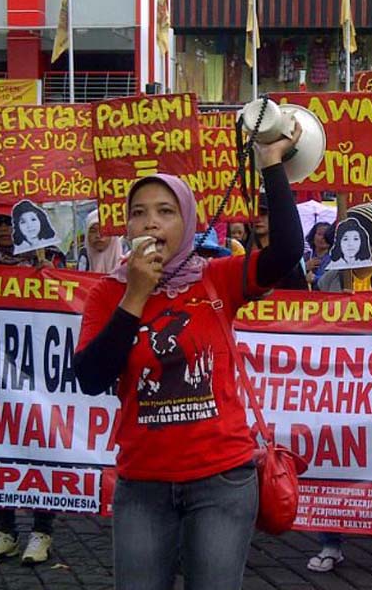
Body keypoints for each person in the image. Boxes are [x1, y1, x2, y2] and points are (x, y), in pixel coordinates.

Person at [73, 127, 303, 590]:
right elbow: (92, 377)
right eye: (138, 214)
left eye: (165, 211)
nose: (150, 223)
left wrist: (272, 163)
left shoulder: (216, 278)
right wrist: (135, 297)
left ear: (189, 223)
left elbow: (286, 253)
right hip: (143, 485)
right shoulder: (108, 294)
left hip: (222, 481)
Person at [311, 201, 372, 575]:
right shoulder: (328, 279)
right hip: (337, 387)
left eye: (359, 235)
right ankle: (330, 542)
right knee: (332, 458)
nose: (350, 242)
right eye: (345, 236)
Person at [0, 205, 57, 566]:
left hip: (37, 375)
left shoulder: (48, 260)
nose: (5, 229)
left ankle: (41, 532)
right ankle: (3, 533)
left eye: (11, 222)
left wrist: (50, 276)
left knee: (43, 449)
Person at [79, 209, 125, 274]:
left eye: (104, 230)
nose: (98, 236)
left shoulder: (126, 268)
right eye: (93, 231)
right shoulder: (82, 266)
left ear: (113, 235)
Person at [305, 221, 332, 286]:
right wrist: (305, 268)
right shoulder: (305, 256)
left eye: (326, 235)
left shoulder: (334, 259)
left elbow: (332, 280)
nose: (322, 238)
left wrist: (315, 278)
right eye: (319, 234)